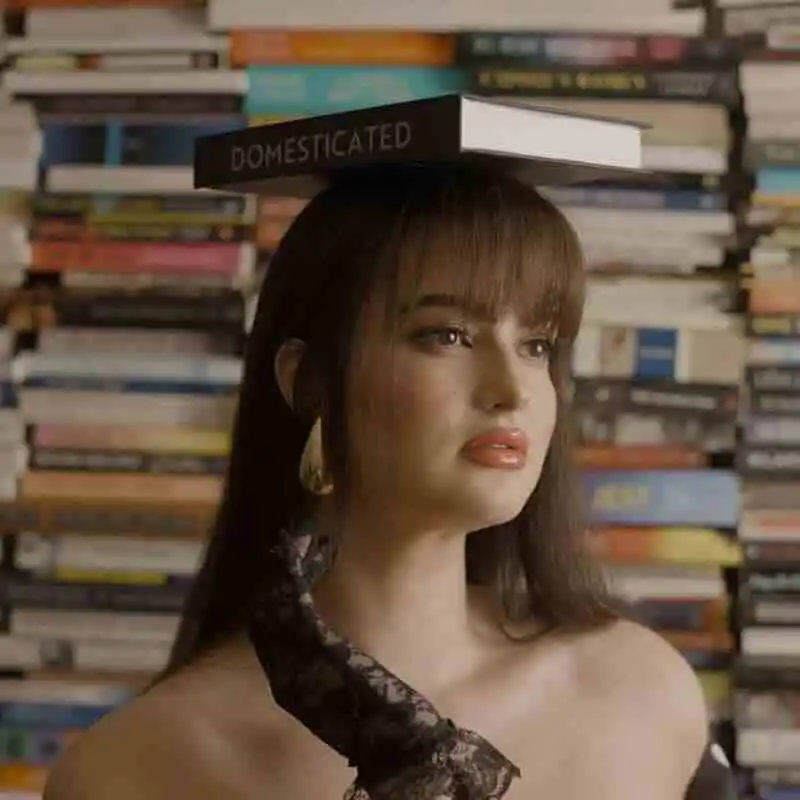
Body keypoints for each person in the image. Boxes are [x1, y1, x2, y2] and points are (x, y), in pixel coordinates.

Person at [43, 163, 735, 799]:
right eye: (446, 335)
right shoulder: (133, 770)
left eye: (537, 345)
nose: (511, 389)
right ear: (310, 381)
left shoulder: (641, 691)